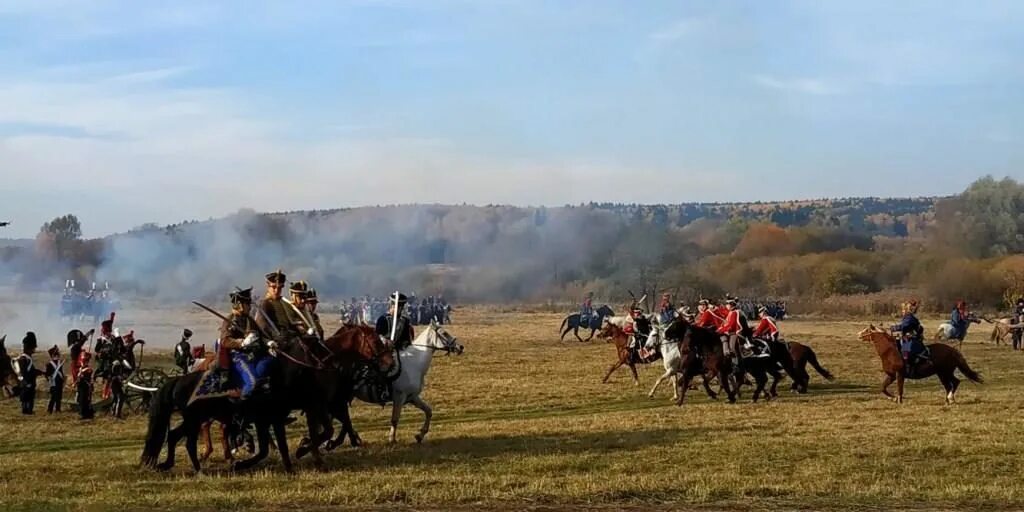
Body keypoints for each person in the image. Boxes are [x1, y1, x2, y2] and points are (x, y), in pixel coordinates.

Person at [218, 287, 268, 399]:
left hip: (253, 355)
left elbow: (261, 335)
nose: (250, 307)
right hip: (237, 356)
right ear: (240, 304)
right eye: (247, 304)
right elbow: (225, 341)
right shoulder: (229, 320)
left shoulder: (249, 320)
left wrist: (269, 343)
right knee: (252, 383)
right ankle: (240, 413)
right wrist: (241, 343)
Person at [259, 269, 298, 339]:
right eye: (274, 287)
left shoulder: (284, 303)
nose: (277, 291)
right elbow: (264, 327)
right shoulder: (265, 304)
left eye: (279, 288)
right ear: (268, 287)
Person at [891, 300, 927, 374]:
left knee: (905, 349)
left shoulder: (909, 318)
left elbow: (904, 326)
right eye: (902, 310)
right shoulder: (907, 317)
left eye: (903, 310)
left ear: (907, 310)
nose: (902, 311)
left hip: (912, 339)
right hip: (908, 337)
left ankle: (908, 366)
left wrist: (894, 327)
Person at [717, 299, 747, 373]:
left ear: (731, 305)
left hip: (734, 333)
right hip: (730, 332)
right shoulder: (731, 312)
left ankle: (735, 365)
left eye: (727, 304)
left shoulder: (734, 312)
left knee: (732, 348)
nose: (726, 306)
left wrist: (721, 330)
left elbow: (731, 325)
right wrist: (719, 330)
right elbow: (726, 323)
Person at [15, 333, 42, 415]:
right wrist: (25, 381)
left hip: (29, 381)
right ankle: (26, 410)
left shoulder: (27, 358)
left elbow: (31, 370)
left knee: (30, 396)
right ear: (29, 348)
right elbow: (23, 372)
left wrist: (39, 372)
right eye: (33, 348)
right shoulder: (24, 359)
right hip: (26, 381)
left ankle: (28, 409)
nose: (34, 350)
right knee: (26, 397)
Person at [45, 345, 65, 414]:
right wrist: (50, 381)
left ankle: (58, 409)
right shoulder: (49, 364)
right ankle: (50, 409)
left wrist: (63, 379)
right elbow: (47, 374)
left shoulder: (60, 363)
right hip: (54, 381)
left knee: (59, 396)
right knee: (53, 396)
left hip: (59, 381)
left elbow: (61, 372)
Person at [76, 352, 95, 420]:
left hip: (86, 387)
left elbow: (88, 379)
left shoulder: (88, 369)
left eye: (84, 361)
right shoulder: (81, 369)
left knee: (85, 401)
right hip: (81, 387)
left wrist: (82, 376)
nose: (83, 363)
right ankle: (83, 413)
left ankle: (86, 414)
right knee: (81, 400)